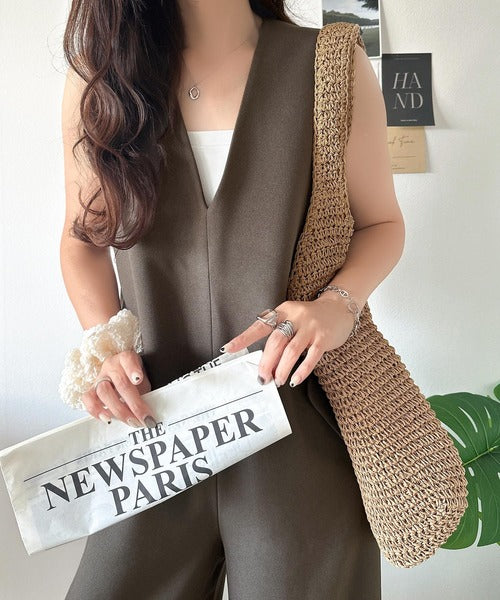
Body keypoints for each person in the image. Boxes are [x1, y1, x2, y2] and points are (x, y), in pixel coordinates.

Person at [60, 1, 404, 598]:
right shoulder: (101, 77)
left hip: (297, 427)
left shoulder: (332, 64)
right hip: (152, 434)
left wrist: (338, 305)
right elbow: (80, 240)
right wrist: (105, 344)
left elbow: (382, 224)